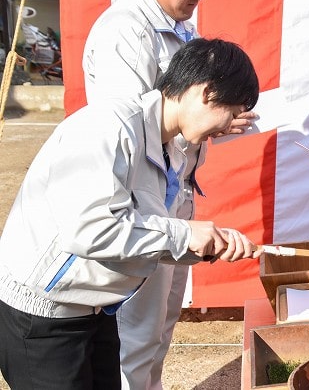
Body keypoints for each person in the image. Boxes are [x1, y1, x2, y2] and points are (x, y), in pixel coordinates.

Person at [0, 38, 263, 389]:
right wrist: (184, 234)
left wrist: (206, 245)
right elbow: (90, 230)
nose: (230, 125)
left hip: (93, 308)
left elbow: (142, 231)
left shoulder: (171, 149)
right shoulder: (110, 126)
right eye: (232, 111)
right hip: (43, 314)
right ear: (205, 91)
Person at [82, 0, 256, 388]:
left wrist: (219, 121)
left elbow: (183, 115)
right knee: (135, 334)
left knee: (160, 328)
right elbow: (127, 133)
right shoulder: (123, 34)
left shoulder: (183, 31)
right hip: (144, 203)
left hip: (175, 196)